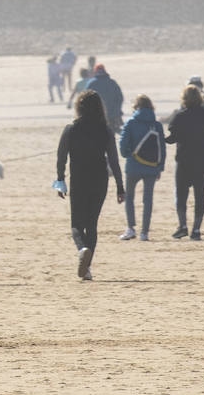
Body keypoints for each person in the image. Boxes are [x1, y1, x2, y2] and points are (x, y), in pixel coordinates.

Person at [56, 90, 125, 278]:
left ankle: (82, 250)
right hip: (99, 180)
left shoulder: (71, 129)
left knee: (76, 224)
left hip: (79, 179)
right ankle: (86, 268)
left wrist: (60, 180)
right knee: (92, 224)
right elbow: (114, 160)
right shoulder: (106, 130)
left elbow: (61, 156)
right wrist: (120, 186)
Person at [165, 84, 204, 240]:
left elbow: (172, 138)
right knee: (199, 194)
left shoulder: (180, 116)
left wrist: (160, 138)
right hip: (203, 162)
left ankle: (182, 226)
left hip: (184, 161)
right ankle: (196, 230)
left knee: (181, 194)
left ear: (184, 99)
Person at [117, 95, 165, 242]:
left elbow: (123, 144)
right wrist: (160, 167)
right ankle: (144, 233)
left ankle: (131, 229)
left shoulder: (131, 123)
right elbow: (162, 148)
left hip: (133, 166)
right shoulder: (156, 125)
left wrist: (127, 155)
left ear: (136, 107)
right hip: (151, 167)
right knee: (148, 199)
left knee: (130, 197)